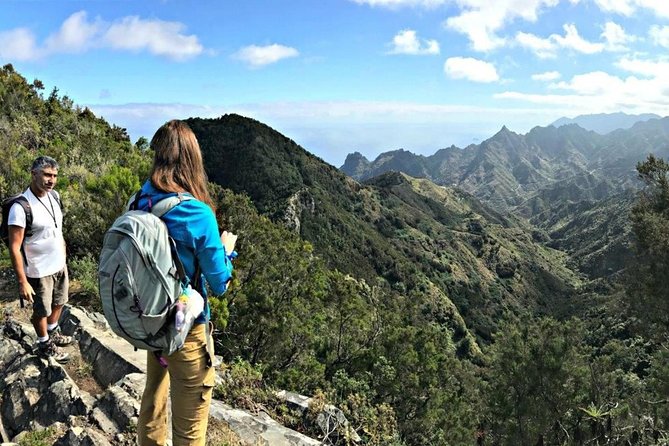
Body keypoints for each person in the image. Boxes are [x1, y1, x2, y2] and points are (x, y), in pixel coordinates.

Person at [136, 120, 236, 446]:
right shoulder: (197, 213)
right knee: (190, 427)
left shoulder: (140, 200)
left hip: (150, 321)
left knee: (153, 400)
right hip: (186, 331)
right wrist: (227, 254)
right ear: (193, 159)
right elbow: (220, 283)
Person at [7, 155, 72, 363]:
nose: (51, 180)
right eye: (46, 174)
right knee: (41, 310)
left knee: (60, 302)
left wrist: (62, 250)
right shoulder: (21, 208)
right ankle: (44, 344)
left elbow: (56, 228)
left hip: (59, 264)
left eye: (54, 175)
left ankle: (53, 332)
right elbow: (14, 247)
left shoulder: (54, 196)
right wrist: (22, 281)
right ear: (33, 174)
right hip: (38, 269)